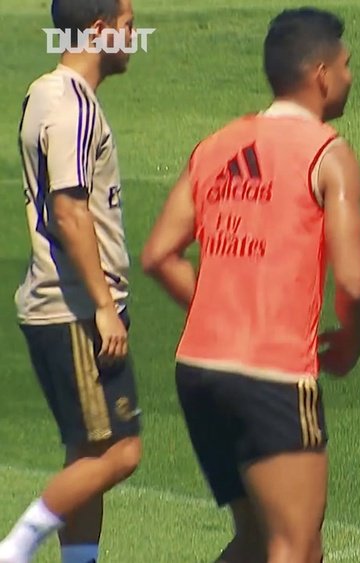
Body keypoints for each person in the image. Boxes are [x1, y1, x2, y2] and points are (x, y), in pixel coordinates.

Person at [139, 7, 360, 563]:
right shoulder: (328, 153)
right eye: (346, 64)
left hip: (199, 370)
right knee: (297, 547)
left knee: (255, 540)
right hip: (273, 376)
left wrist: (221, 306)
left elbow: (157, 255)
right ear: (320, 73)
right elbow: (356, 282)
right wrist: (353, 339)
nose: (350, 75)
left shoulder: (216, 146)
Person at [0, 1, 144, 562]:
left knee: (88, 451)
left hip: (65, 303)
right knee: (120, 452)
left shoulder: (46, 92)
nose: (135, 38)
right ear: (100, 31)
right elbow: (69, 210)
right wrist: (105, 308)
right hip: (76, 307)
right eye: (130, 27)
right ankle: (16, 547)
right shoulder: (71, 107)